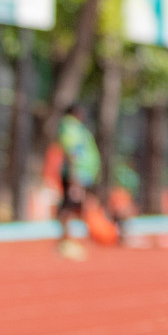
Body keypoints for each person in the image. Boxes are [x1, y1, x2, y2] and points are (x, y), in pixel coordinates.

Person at [56, 104, 101, 260]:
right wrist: (75, 177)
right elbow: (73, 152)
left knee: (77, 206)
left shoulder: (75, 128)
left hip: (82, 174)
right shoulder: (70, 127)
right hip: (77, 174)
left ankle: (72, 240)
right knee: (70, 206)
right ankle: (66, 241)